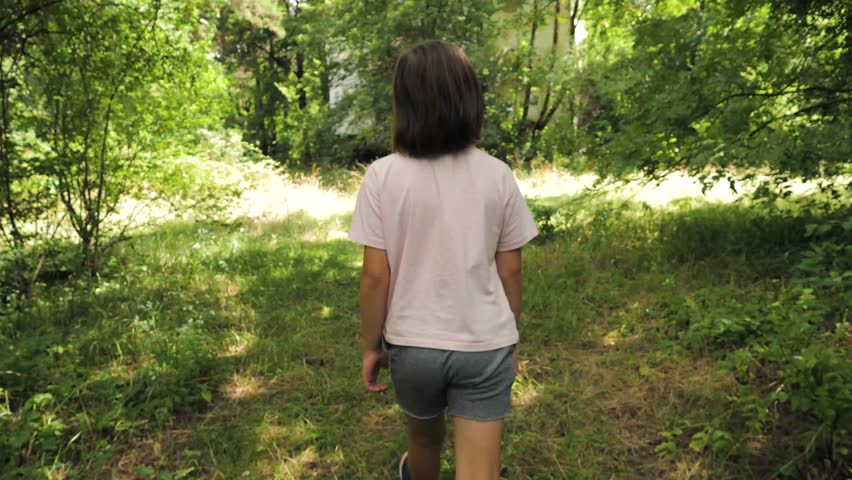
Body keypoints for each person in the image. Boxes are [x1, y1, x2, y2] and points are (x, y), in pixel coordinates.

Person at [349, 40, 538, 480]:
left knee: (423, 441)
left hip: (413, 348)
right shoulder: (497, 175)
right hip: (484, 346)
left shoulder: (381, 176)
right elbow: (510, 269)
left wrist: (371, 346)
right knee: (479, 469)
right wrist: (508, 338)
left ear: (404, 104)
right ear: (468, 100)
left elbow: (376, 275)